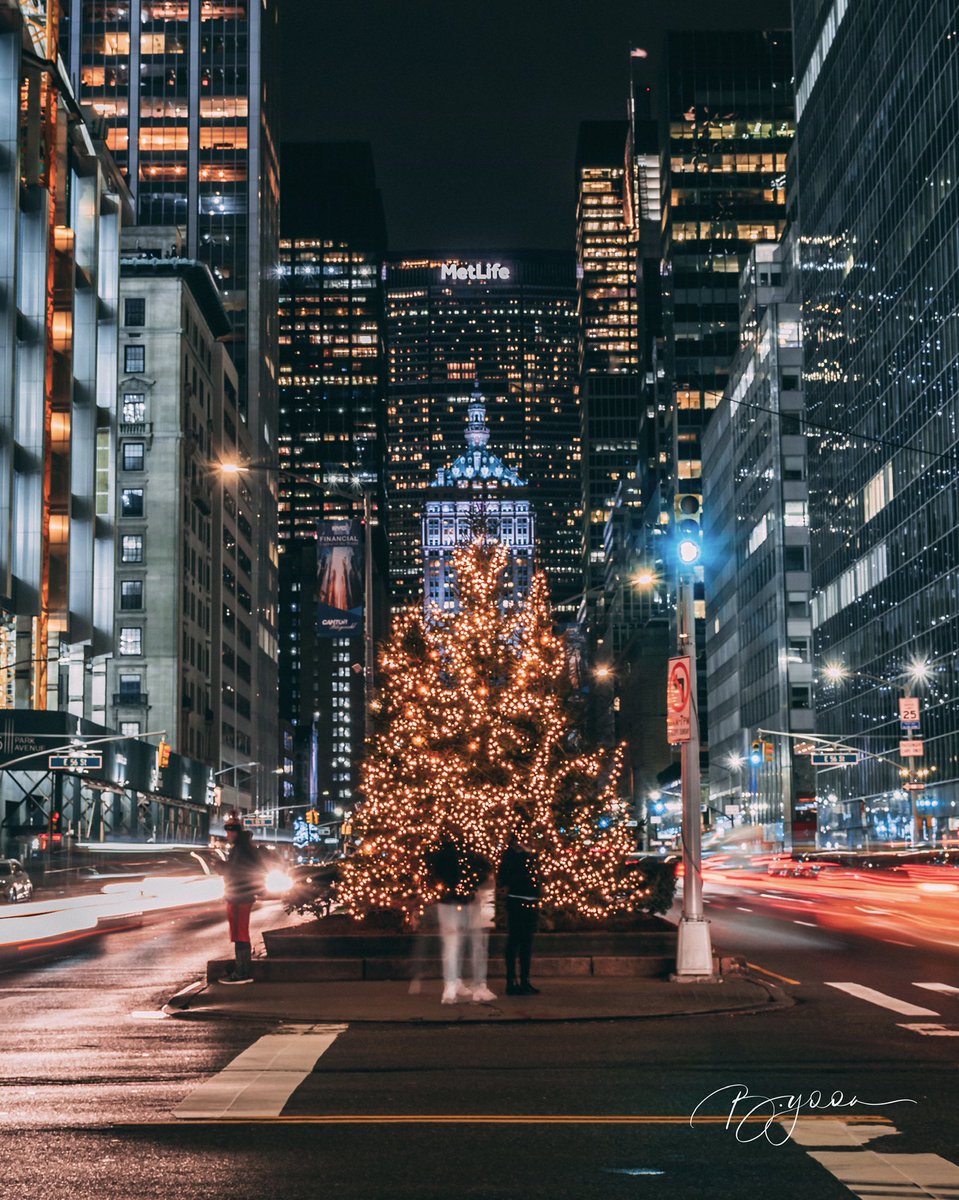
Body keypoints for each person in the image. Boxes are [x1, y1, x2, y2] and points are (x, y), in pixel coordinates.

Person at [428, 836, 496, 1004]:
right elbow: (485, 870)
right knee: (473, 944)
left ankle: (453, 985)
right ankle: (473, 985)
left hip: (450, 900)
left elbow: (434, 872)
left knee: (454, 944)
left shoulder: (442, 850)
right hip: (467, 900)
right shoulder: (472, 851)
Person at [219, 815, 266, 985]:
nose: (227, 835)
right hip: (241, 895)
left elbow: (235, 872)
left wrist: (220, 866)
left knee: (240, 935)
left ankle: (242, 972)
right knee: (240, 934)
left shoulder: (240, 849)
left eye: (229, 831)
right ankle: (242, 971)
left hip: (239, 896)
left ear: (235, 833)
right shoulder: (244, 847)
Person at [498, 825, 542, 995]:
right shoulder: (512, 856)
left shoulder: (531, 854)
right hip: (517, 902)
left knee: (526, 944)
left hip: (530, 902)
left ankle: (525, 980)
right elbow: (504, 879)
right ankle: (511, 981)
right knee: (515, 942)